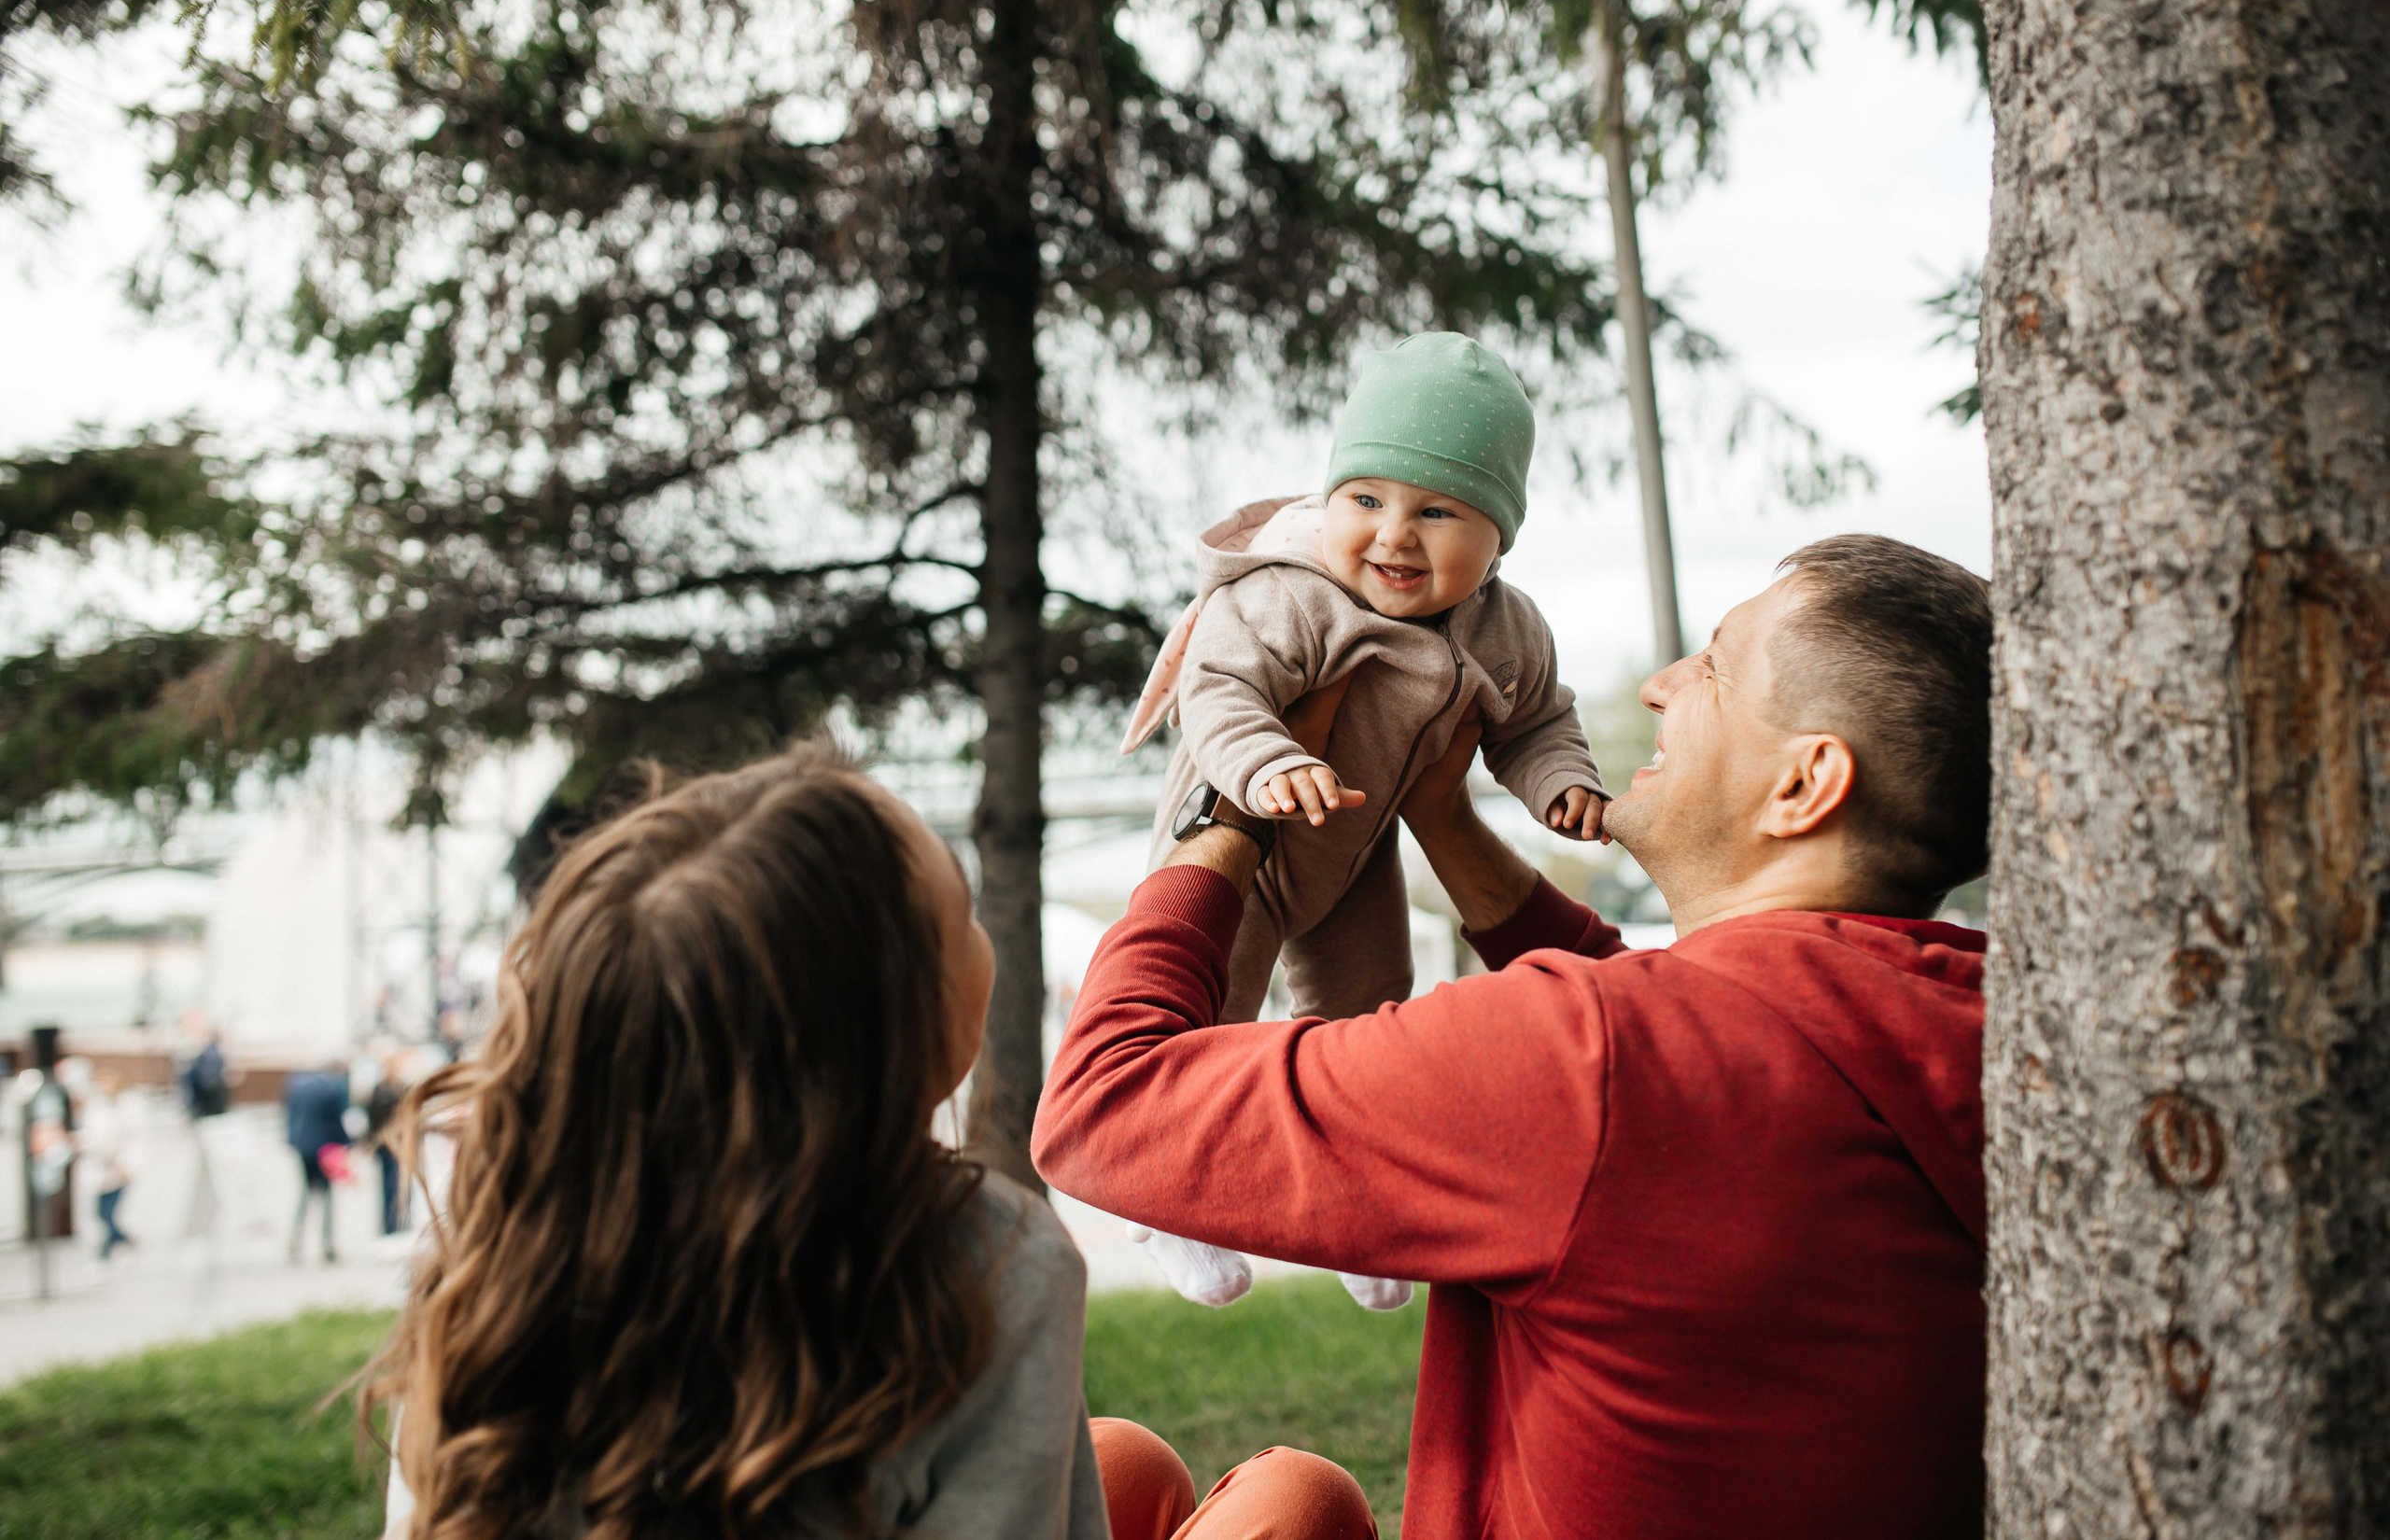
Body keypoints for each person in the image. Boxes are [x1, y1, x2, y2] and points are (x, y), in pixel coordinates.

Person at [1036, 535, 1994, 1539]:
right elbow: (1691, 1036)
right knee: (1173, 1478)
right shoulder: (1971, 1024)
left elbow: (1104, 1106)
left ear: (1805, 784)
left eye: (1713, 666)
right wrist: (1442, 818)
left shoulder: (1592, 1058)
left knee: (1215, 1490)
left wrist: (1227, 805)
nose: (1661, 685)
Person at [367, 750, 1368, 1540]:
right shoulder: (993, 1259)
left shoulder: (496, 1247)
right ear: (890, 1043)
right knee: (1298, 1500)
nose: (984, 939)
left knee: (1127, 1465)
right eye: (962, 919)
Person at [1118, 331, 1605, 1310]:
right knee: (1212, 1008)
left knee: (1371, 1011)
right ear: (1330, 498)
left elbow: (1538, 721)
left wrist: (1561, 782)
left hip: (1355, 847)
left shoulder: (1506, 629)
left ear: (1499, 537)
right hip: (1238, 840)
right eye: (1367, 500)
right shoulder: (1290, 594)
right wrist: (1270, 764)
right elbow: (1217, 690)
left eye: (1437, 511)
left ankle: (1356, 1203)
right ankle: (1160, 1198)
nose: (1394, 536)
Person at [284, 1063, 351, 1265]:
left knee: (305, 1192)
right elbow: (338, 1120)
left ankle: (295, 1240)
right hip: (325, 1147)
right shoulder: (334, 1088)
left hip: (302, 1145)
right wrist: (347, 1144)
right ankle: (327, 1243)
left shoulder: (297, 1084)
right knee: (327, 1194)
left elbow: (289, 1113)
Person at [80, 1064, 141, 1259]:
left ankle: (112, 1246)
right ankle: (118, 1242)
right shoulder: (99, 1107)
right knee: (101, 1213)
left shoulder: (126, 1107)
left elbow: (130, 1139)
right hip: (103, 1168)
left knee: (106, 1213)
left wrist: (127, 1165)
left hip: (117, 1169)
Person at [363, 1045, 410, 1238]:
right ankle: (395, 1226)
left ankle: (394, 1226)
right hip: (394, 1143)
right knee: (396, 1186)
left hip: (391, 1143)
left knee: (393, 1187)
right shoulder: (397, 1089)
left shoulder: (392, 1089)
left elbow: (372, 1119)